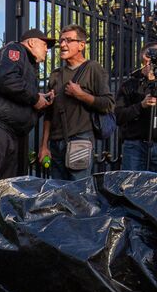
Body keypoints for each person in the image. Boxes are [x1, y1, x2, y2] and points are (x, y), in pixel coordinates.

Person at [0, 28, 52, 185]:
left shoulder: (28, 63)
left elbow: (21, 97)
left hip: (10, 133)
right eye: (44, 44)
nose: (46, 50)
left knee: (3, 191)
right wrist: (35, 99)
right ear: (32, 42)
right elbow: (6, 79)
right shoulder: (15, 49)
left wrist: (41, 101)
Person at [40, 24, 112, 181]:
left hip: (80, 140)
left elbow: (108, 103)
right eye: (62, 41)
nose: (63, 45)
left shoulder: (93, 68)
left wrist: (81, 95)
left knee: (77, 193)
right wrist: (44, 145)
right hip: (56, 143)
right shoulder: (55, 75)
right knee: (58, 193)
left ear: (81, 45)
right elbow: (48, 115)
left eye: (68, 40)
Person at [114, 43, 157, 175]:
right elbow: (118, 116)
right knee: (131, 189)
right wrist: (141, 105)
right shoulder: (129, 85)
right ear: (146, 57)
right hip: (134, 146)